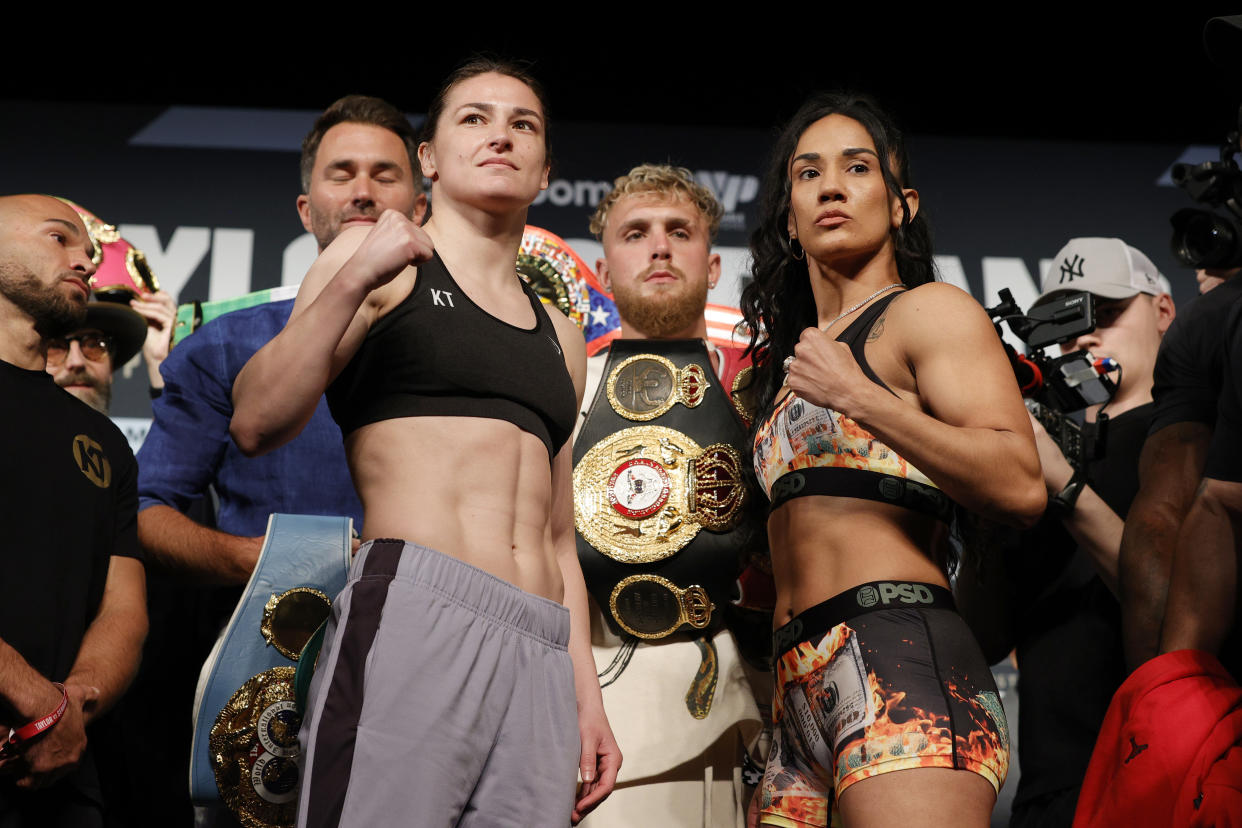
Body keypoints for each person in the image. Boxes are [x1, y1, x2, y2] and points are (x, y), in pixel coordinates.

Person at [230, 59, 619, 826]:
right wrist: (353, 277)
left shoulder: (565, 337)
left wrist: (587, 692)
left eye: (523, 124)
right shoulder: (374, 264)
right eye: (474, 118)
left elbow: (558, 537)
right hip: (418, 611)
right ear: (430, 162)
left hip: (540, 645)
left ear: (545, 170)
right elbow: (255, 420)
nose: (500, 135)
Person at [738, 93, 1044, 827]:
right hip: (794, 692)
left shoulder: (928, 312)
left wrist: (863, 397)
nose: (831, 186)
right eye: (808, 174)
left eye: (856, 168)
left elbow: (1021, 483)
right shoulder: (789, 369)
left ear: (901, 204)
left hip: (900, 661)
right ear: (789, 215)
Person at [137, 93, 423, 583]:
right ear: (306, 211)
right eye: (341, 173)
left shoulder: (469, 344)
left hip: (434, 635)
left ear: (419, 209)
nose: (363, 192)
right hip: (272, 637)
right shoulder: (222, 346)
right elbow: (145, 506)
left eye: (384, 175)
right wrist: (248, 558)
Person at [955, 238, 1175, 827]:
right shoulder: (1036, 457)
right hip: (1049, 794)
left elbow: (1175, 608)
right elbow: (983, 639)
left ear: (1163, 311)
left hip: (1165, 781)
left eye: (1104, 314)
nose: (1084, 338)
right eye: (1066, 325)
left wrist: (1067, 487)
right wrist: (986, 498)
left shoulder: (1192, 441)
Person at [574, 164, 763, 826]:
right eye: (637, 232)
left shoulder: (766, 393)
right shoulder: (567, 387)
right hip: (604, 709)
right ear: (603, 267)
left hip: (762, 704)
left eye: (678, 232)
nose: (658, 247)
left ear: (713, 266)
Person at [0, 194, 147, 827]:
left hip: (60, 775)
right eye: (60, 239)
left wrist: (73, 706)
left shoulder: (106, 443)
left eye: (88, 252)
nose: (84, 261)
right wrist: (33, 699)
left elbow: (124, 609)